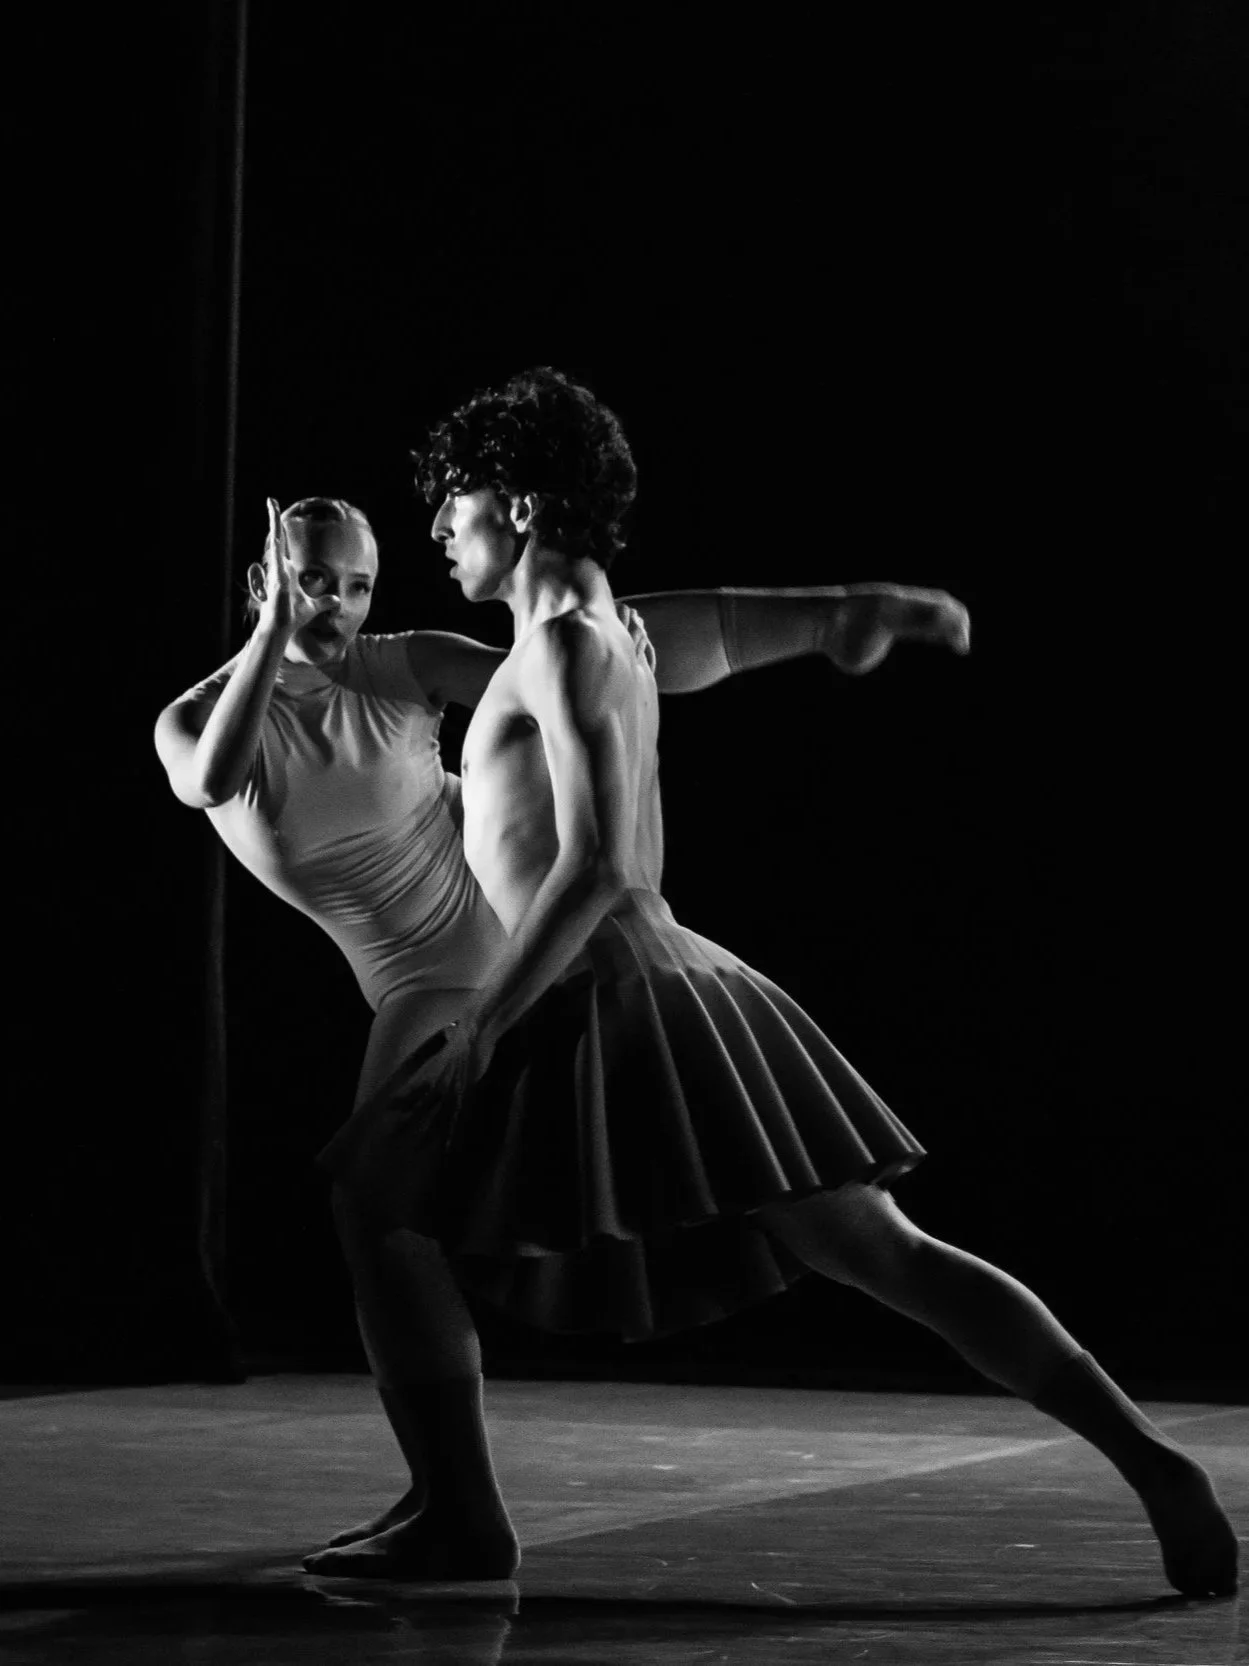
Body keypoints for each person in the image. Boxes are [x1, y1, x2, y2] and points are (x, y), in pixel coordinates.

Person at [313, 366, 1238, 1597]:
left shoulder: (574, 642)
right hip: (650, 983)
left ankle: (462, 1520)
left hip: (606, 990)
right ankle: (1153, 1465)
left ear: (523, 506)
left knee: (382, 1199)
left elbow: (589, 867)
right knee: (879, 1249)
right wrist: (842, 612)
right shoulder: (600, 629)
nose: (436, 526)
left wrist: (482, 1032)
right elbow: (717, 631)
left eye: (455, 500)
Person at [154, 491, 971, 1573]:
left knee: (374, 1211)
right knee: (391, 1227)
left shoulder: (398, 666)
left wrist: (750, 628)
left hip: (482, 955)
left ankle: (462, 1514)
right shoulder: (198, 713)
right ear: (265, 581)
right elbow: (208, 780)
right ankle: (447, 1500)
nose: (341, 606)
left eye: (357, 582)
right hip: (424, 973)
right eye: (313, 579)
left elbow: (569, 651)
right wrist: (269, 636)